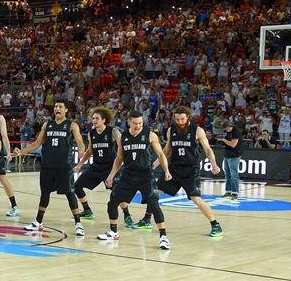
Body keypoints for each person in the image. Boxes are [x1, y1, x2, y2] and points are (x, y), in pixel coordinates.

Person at [98, 111, 172, 250]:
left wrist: (166, 171)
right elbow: (119, 158)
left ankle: (163, 237)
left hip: (146, 175)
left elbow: (161, 155)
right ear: (129, 122)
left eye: (140, 123)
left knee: (154, 205)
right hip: (128, 175)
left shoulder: (150, 135)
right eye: (135, 123)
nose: (137, 126)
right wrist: (111, 175)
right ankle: (113, 232)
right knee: (112, 202)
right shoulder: (123, 137)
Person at [14, 98, 86, 237]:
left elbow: (79, 141)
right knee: (45, 193)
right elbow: (37, 143)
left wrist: (82, 150)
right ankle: (38, 221)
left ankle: (78, 224)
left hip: (64, 166)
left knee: (70, 194)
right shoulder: (47, 125)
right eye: (56, 106)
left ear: (66, 110)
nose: (57, 109)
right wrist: (22, 152)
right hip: (48, 165)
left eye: (61, 107)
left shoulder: (71, 125)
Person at [155, 107, 223, 237]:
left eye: (182, 119)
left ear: (188, 117)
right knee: (155, 193)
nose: (180, 122)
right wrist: (154, 165)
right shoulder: (171, 131)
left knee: (196, 199)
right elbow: (166, 151)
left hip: (191, 170)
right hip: (174, 168)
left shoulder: (197, 131)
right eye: (177, 119)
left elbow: (207, 149)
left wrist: (214, 165)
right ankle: (146, 219)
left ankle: (215, 225)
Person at [72, 107, 119, 220]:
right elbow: (89, 151)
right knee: (77, 186)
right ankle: (87, 210)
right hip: (96, 167)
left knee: (117, 192)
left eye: (97, 118)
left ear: (104, 120)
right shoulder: (91, 133)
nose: (94, 120)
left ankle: (127, 216)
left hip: (110, 168)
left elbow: (122, 147)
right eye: (93, 118)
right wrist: (79, 165)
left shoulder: (113, 131)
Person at [219, 120, 243, 200]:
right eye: (225, 128)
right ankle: (228, 191)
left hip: (234, 155)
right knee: (227, 174)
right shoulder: (227, 132)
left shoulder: (236, 132)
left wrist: (223, 139)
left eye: (227, 128)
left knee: (234, 174)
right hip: (227, 154)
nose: (227, 129)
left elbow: (233, 144)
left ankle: (235, 193)